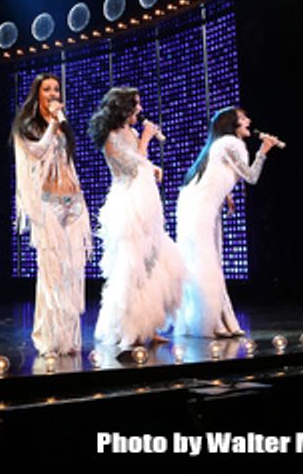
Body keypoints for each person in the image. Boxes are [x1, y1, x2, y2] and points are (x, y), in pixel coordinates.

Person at [87, 87, 184, 354]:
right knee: (132, 267)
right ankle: (128, 329)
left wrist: (152, 165)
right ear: (123, 108)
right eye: (136, 105)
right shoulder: (110, 137)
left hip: (145, 202)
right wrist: (147, 140)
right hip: (126, 206)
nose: (140, 110)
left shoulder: (130, 132)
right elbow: (130, 168)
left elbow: (140, 164)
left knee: (153, 264)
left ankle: (149, 326)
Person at [174, 107, 279, 338]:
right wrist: (263, 151)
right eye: (243, 118)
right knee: (207, 265)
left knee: (208, 264)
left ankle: (221, 321)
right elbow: (251, 176)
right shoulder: (231, 143)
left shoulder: (221, 144)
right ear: (233, 124)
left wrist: (226, 195)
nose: (249, 121)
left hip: (199, 209)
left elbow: (216, 175)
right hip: (200, 212)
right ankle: (214, 323)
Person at [12, 73, 92, 355]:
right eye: (47, 89)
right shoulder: (27, 127)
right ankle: (48, 339)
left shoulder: (63, 126)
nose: (53, 94)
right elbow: (37, 152)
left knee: (72, 273)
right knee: (52, 273)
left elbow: (67, 163)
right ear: (37, 94)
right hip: (48, 204)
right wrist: (53, 125)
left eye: (56, 89)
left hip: (74, 202)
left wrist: (60, 124)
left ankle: (68, 340)